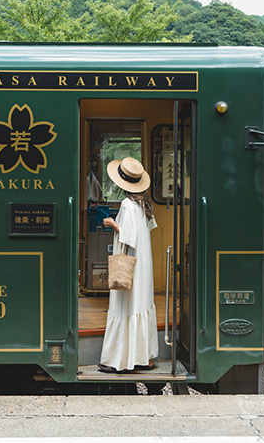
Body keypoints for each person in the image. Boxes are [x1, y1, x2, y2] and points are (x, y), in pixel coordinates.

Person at [98, 157, 159, 374]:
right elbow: (145, 231)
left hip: (129, 266)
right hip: (142, 265)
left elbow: (128, 236)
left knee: (125, 306)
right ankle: (146, 358)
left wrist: (113, 224)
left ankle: (119, 360)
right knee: (141, 305)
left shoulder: (126, 204)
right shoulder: (144, 204)